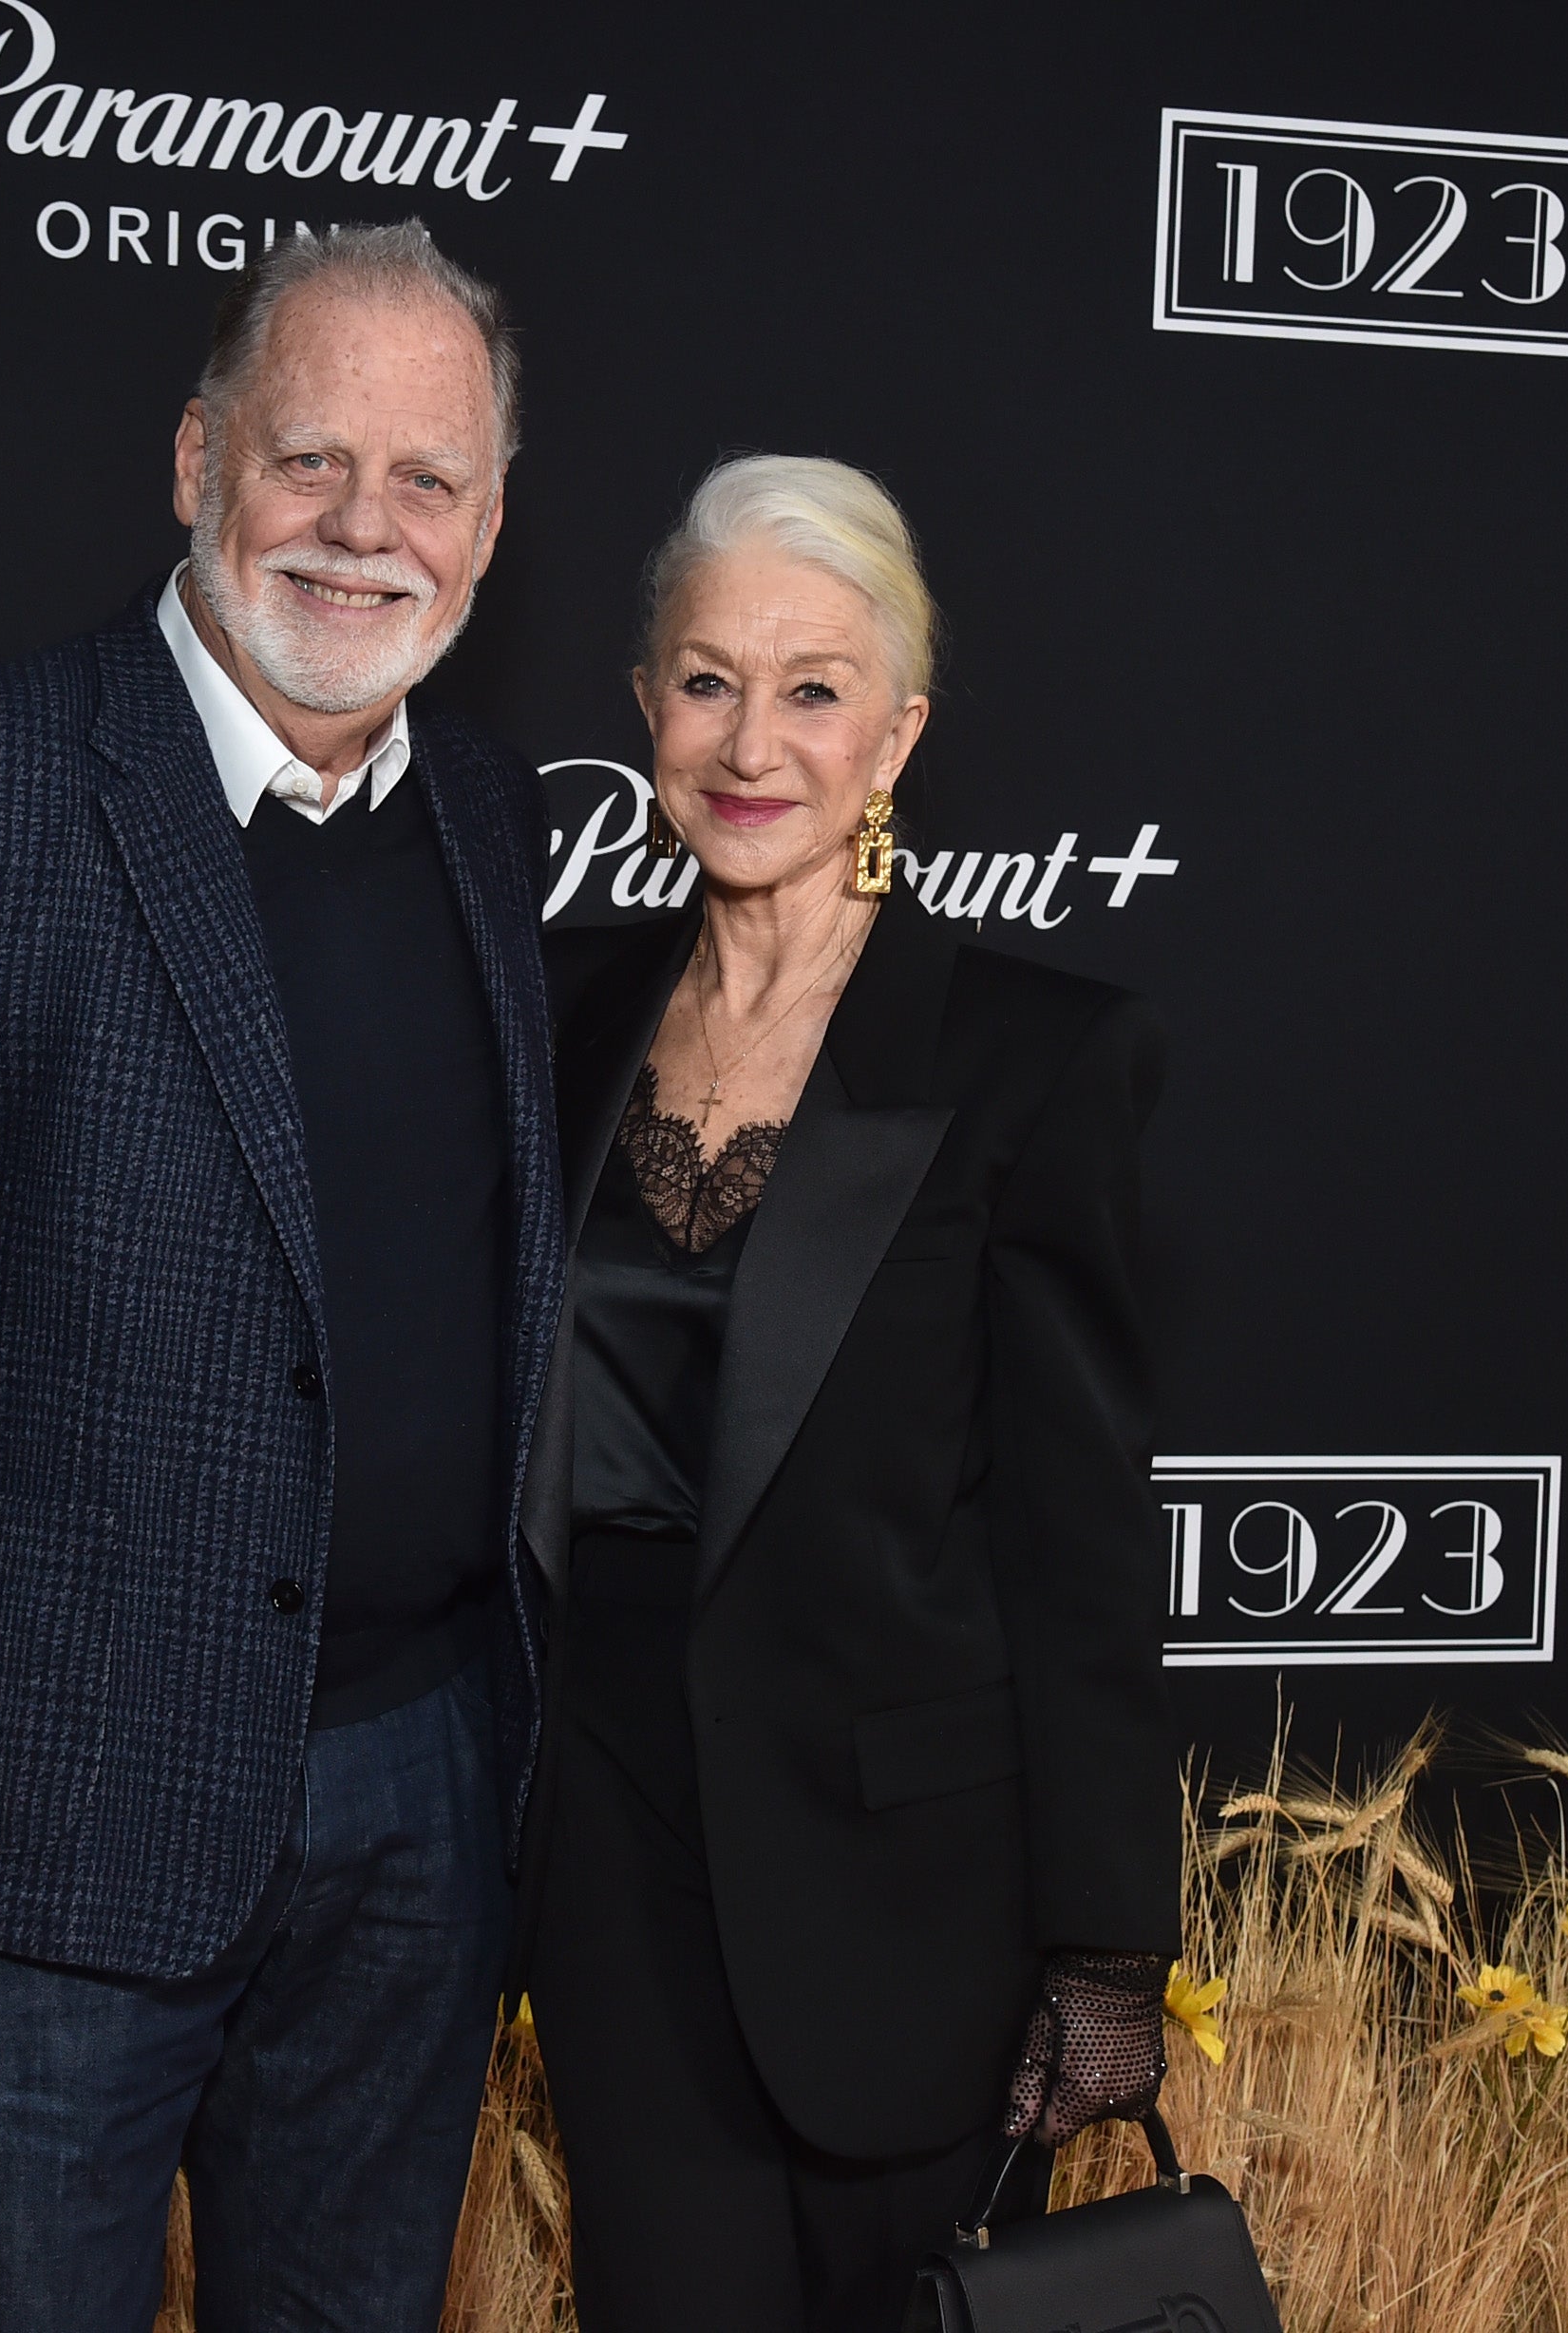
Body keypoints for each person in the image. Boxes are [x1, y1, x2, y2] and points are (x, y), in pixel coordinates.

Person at [0, 223, 562, 2333]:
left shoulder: (491, 822)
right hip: (50, 1806)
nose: (363, 527)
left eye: (429, 480)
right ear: (192, 458)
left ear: (494, 528)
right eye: (310, 457)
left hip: (419, 1805)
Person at [520, 456, 1183, 2331]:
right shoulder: (546, 1014)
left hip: (915, 1890)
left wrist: (1109, 1944)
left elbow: (1079, 1533)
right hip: (611, 1842)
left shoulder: (1032, 1056)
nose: (754, 739)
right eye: (708, 678)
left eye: (813, 690)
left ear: (892, 739)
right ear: (647, 706)